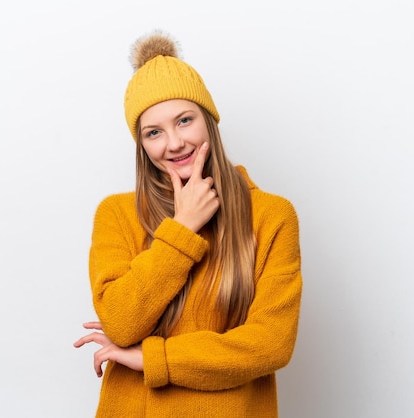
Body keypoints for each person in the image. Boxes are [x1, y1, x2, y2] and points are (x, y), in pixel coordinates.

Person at [74, 30, 302, 418]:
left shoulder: (271, 216)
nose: (174, 143)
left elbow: (271, 344)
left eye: (184, 120)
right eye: (154, 132)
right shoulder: (116, 214)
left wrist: (155, 358)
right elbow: (120, 323)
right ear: (142, 145)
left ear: (209, 120)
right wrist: (182, 229)